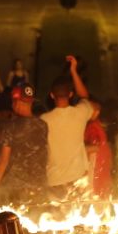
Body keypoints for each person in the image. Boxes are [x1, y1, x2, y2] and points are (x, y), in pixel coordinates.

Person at [40, 56, 101, 200]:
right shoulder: (80, 112)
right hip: (78, 179)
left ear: (52, 95)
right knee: (78, 220)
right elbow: (88, 99)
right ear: (71, 94)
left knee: (54, 221)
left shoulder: (43, 120)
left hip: (53, 181)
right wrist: (74, 71)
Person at [0, 85, 50, 205]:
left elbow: (3, 160)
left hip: (17, 189)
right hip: (39, 186)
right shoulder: (43, 125)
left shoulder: (10, 127)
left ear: (16, 102)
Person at [85, 113, 113, 199]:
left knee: (95, 189)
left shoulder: (93, 127)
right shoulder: (95, 126)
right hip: (102, 161)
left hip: (97, 161)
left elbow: (95, 147)